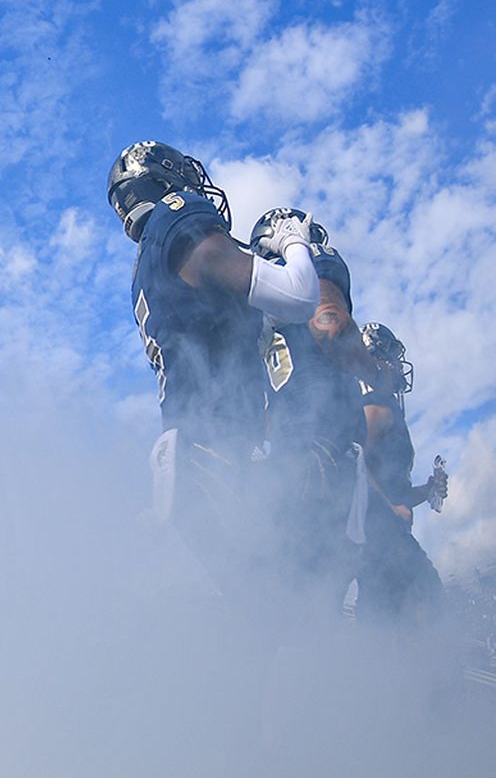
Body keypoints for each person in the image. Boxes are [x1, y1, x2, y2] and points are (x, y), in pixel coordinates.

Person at [107, 141, 322, 589]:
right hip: (213, 458)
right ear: (166, 180)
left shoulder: (148, 263)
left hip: (193, 458)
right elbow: (299, 297)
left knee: (259, 619)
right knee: (281, 609)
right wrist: (294, 243)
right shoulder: (179, 214)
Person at [253, 209, 372, 615]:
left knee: (299, 584)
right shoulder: (302, 277)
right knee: (304, 589)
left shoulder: (296, 278)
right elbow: (328, 321)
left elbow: (328, 316)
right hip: (310, 442)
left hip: (307, 444)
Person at [356, 322, 447, 624]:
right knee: (427, 594)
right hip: (377, 530)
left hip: (383, 529)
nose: (398, 364)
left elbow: (398, 494)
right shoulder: (376, 406)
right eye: (391, 354)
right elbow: (356, 463)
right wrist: (388, 506)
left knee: (385, 614)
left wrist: (426, 489)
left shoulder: (388, 407)